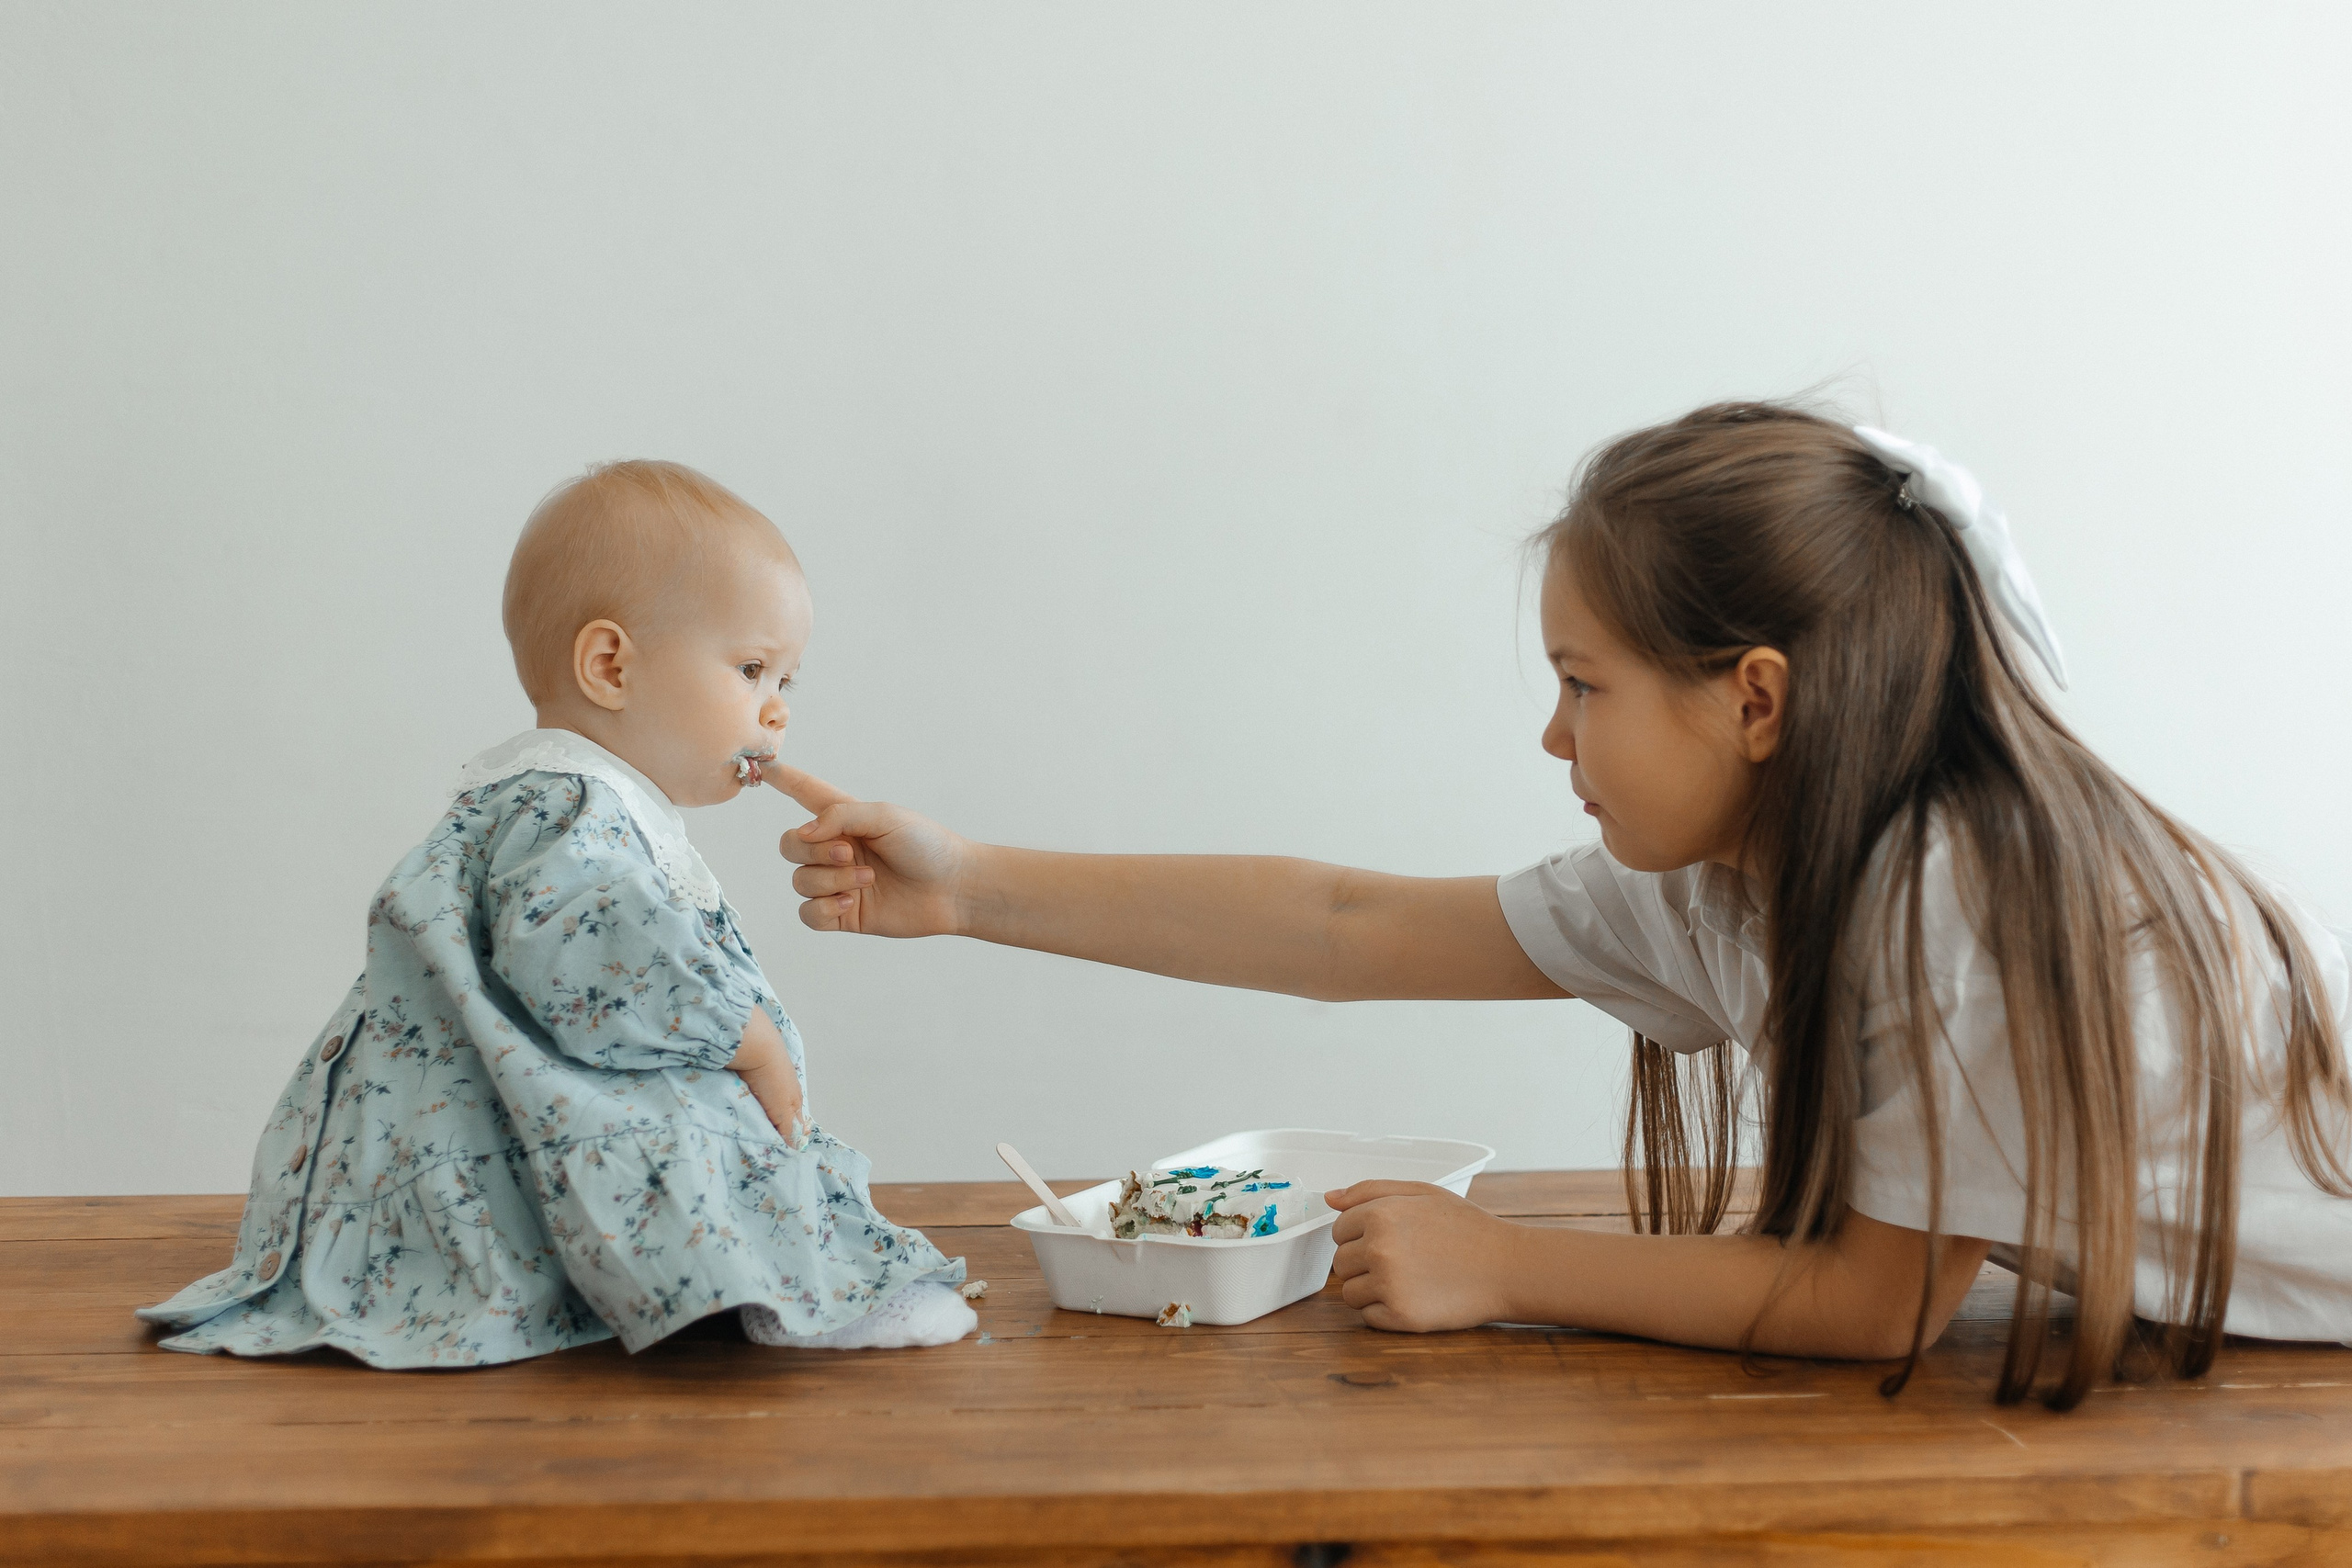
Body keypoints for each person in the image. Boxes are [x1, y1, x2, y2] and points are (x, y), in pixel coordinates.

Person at [763, 402, 2352, 1409]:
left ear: (1755, 700)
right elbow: (1346, 925)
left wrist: (1503, 1263)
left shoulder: (1952, 893)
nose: (1551, 737)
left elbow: (1876, 1306)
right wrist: (966, 887)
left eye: (1581, 684)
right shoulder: (1742, 877)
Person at [141, 460, 974, 1367]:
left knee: (686, 1116)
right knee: (686, 1116)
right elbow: (600, 974)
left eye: (787, 681)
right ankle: (782, 1292)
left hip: (498, 1108)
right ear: (610, 665)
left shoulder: (564, 802)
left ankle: (758, 1277)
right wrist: (750, 1038)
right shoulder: (575, 813)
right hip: (524, 1109)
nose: (775, 711)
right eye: (750, 668)